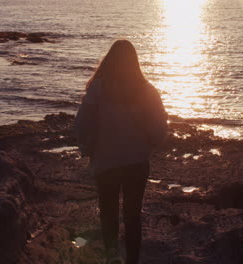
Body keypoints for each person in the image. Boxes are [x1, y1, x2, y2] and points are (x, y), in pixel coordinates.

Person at [75, 39, 168, 264]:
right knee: (133, 215)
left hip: (106, 162)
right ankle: (132, 260)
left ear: (110, 60)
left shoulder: (99, 87)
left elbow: (81, 123)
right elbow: (160, 126)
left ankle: (111, 257)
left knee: (108, 213)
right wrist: (151, 144)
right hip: (137, 162)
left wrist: (88, 148)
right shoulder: (146, 89)